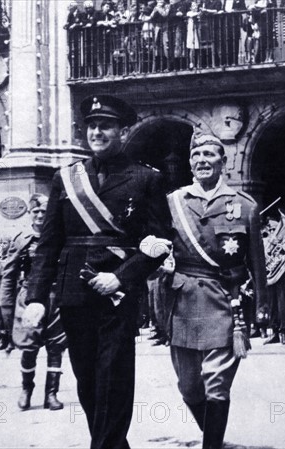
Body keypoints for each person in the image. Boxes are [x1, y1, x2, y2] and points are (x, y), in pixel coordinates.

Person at [24, 94, 171, 449]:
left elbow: (161, 240)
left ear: (123, 130)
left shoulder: (145, 178)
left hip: (117, 295)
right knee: (88, 381)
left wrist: (122, 276)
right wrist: (36, 297)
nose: (97, 132)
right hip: (74, 292)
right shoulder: (66, 178)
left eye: (105, 125)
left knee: (113, 379)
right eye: (91, 126)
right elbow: (48, 244)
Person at [164, 133, 268, 448]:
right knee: (189, 387)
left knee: (217, 385)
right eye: (196, 155)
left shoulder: (244, 206)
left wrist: (262, 305)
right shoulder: (174, 203)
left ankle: (211, 445)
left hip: (226, 302)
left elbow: (257, 261)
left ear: (223, 162)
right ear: (190, 163)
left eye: (210, 154)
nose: (202, 160)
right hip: (183, 302)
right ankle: (215, 438)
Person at [0, 194, 67, 411]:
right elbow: (9, 274)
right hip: (29, 296)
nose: (39, 215)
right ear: (29, 214)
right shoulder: (22, 239)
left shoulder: (62, 237)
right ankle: (26, 389)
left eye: (43, 211)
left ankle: (51, 394)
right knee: (29, 346)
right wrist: (6, 305)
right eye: (35, 211)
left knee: (56, 346)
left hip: (56, 296)